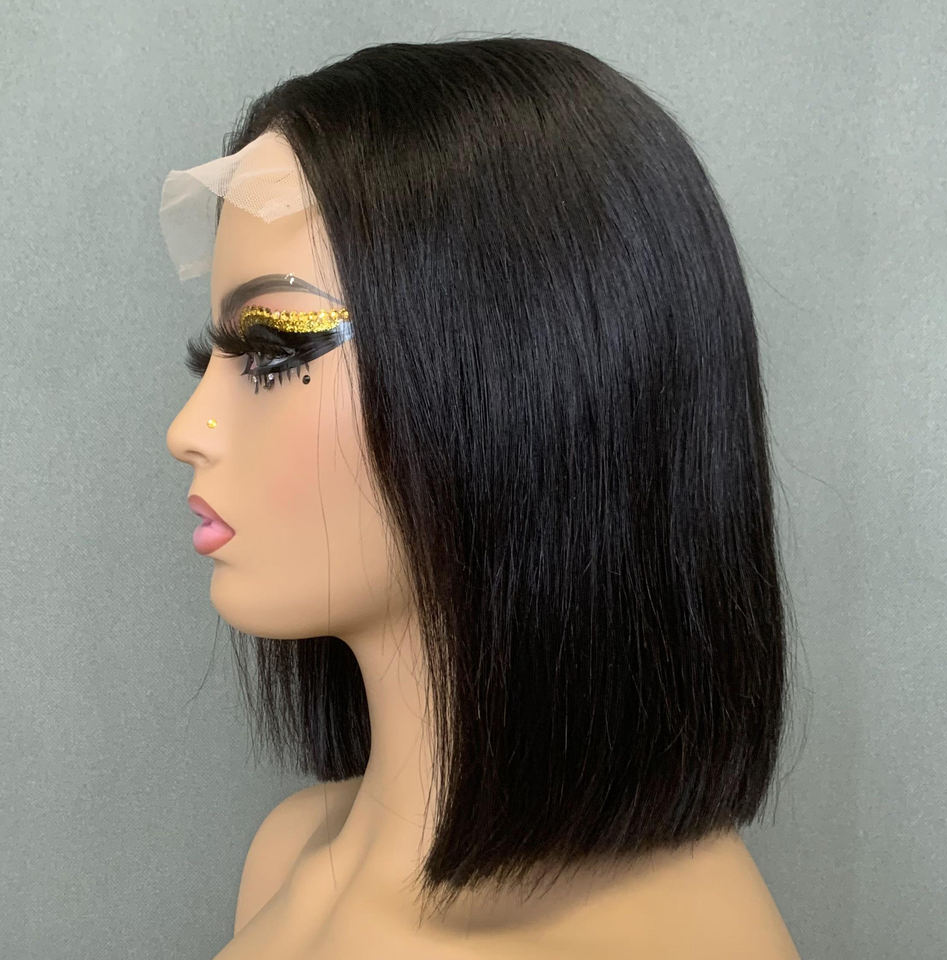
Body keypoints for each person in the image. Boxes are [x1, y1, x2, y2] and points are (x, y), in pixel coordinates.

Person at [163, 36, 802, 959]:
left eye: (273, 351)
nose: (188, 427)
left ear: (518, 382)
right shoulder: (291, 852)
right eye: (210, 357)